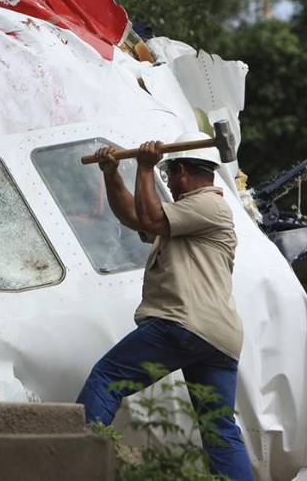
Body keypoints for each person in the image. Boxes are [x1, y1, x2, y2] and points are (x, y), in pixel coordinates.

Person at [76, 132, 253, 481]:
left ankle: (71, 462)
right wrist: (112, 175)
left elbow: (152, 218)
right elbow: (135, 216)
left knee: (107, 377)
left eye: (169, 175)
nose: (168, 183)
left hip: (183, 324)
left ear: (183, 171)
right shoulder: (188, 214)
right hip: (218, 338)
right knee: (219, 428)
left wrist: (144, 167)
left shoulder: (208, 205)